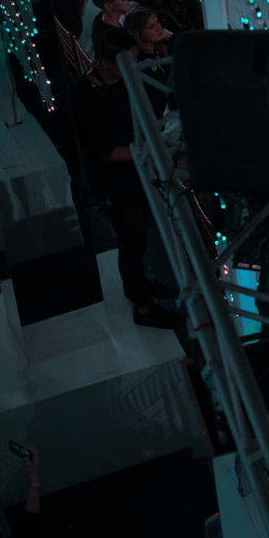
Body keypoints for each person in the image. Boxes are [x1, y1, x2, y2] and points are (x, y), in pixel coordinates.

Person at [71, 28, 180, 329]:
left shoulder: (118, 81)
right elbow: (104, 151)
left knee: (138, 237)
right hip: (116, 183)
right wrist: (148, 151)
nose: (135, 65)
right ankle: (143, 307)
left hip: (132, 173)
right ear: (107, 64)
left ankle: (140, 286)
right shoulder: (86, 98)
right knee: (132, 240)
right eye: (129, 60)